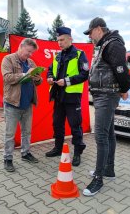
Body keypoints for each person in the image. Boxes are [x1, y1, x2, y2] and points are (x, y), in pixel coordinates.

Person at [82, 17, 130, 196]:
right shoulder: (105, 44)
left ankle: (98, 179)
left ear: (98, 29)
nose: (90, 37)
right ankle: (108, 169)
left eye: (90, 33)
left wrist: (125, 88)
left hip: (107, 95)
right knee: (109, 133)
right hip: (102, 94)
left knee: (100, 135)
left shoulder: (113, 44)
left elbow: (121, 69)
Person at [45, 27, 89, 167]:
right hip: (58, 96)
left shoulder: (79, 54)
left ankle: (77, 152)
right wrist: (50, 77)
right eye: (58, 40)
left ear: (70, 39)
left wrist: (67, 81)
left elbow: (85, 74)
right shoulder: (58, 56)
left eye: (62, 40)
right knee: (57, 124)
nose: (59, 43)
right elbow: (50, 69)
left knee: (75, 126)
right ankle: (58, 148)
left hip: (72, 97)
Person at [1, 38, 43, 172]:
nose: (30, 55)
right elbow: (7, 78)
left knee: (27, 132)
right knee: (10, 134)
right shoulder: (8, 59)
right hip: (12, 103)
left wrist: (37, 78)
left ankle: (25, 153)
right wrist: (25, 74)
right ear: (21, 47)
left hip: (27, 104)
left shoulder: (31, 62)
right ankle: (8, 158)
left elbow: (38, 82)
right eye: (28, 51)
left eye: (32, 52)